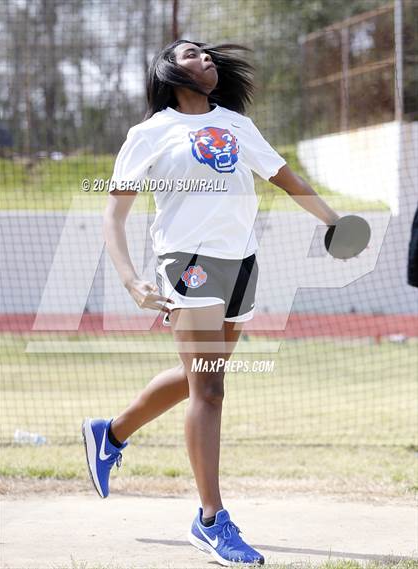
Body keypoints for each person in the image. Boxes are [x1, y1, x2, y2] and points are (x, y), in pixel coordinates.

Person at [82, 39, 340, 566]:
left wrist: (334, 222)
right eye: (193, 54)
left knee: (199, 374)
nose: (207, 59)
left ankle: (109, 433)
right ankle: (210, 520)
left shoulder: (238, 126)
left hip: (242, 260)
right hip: (187, 262)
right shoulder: (149, 133)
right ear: (170, 71)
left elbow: (286, 180)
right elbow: (113, 213)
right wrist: (132, 280)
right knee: (211, 387)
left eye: (208, 54)